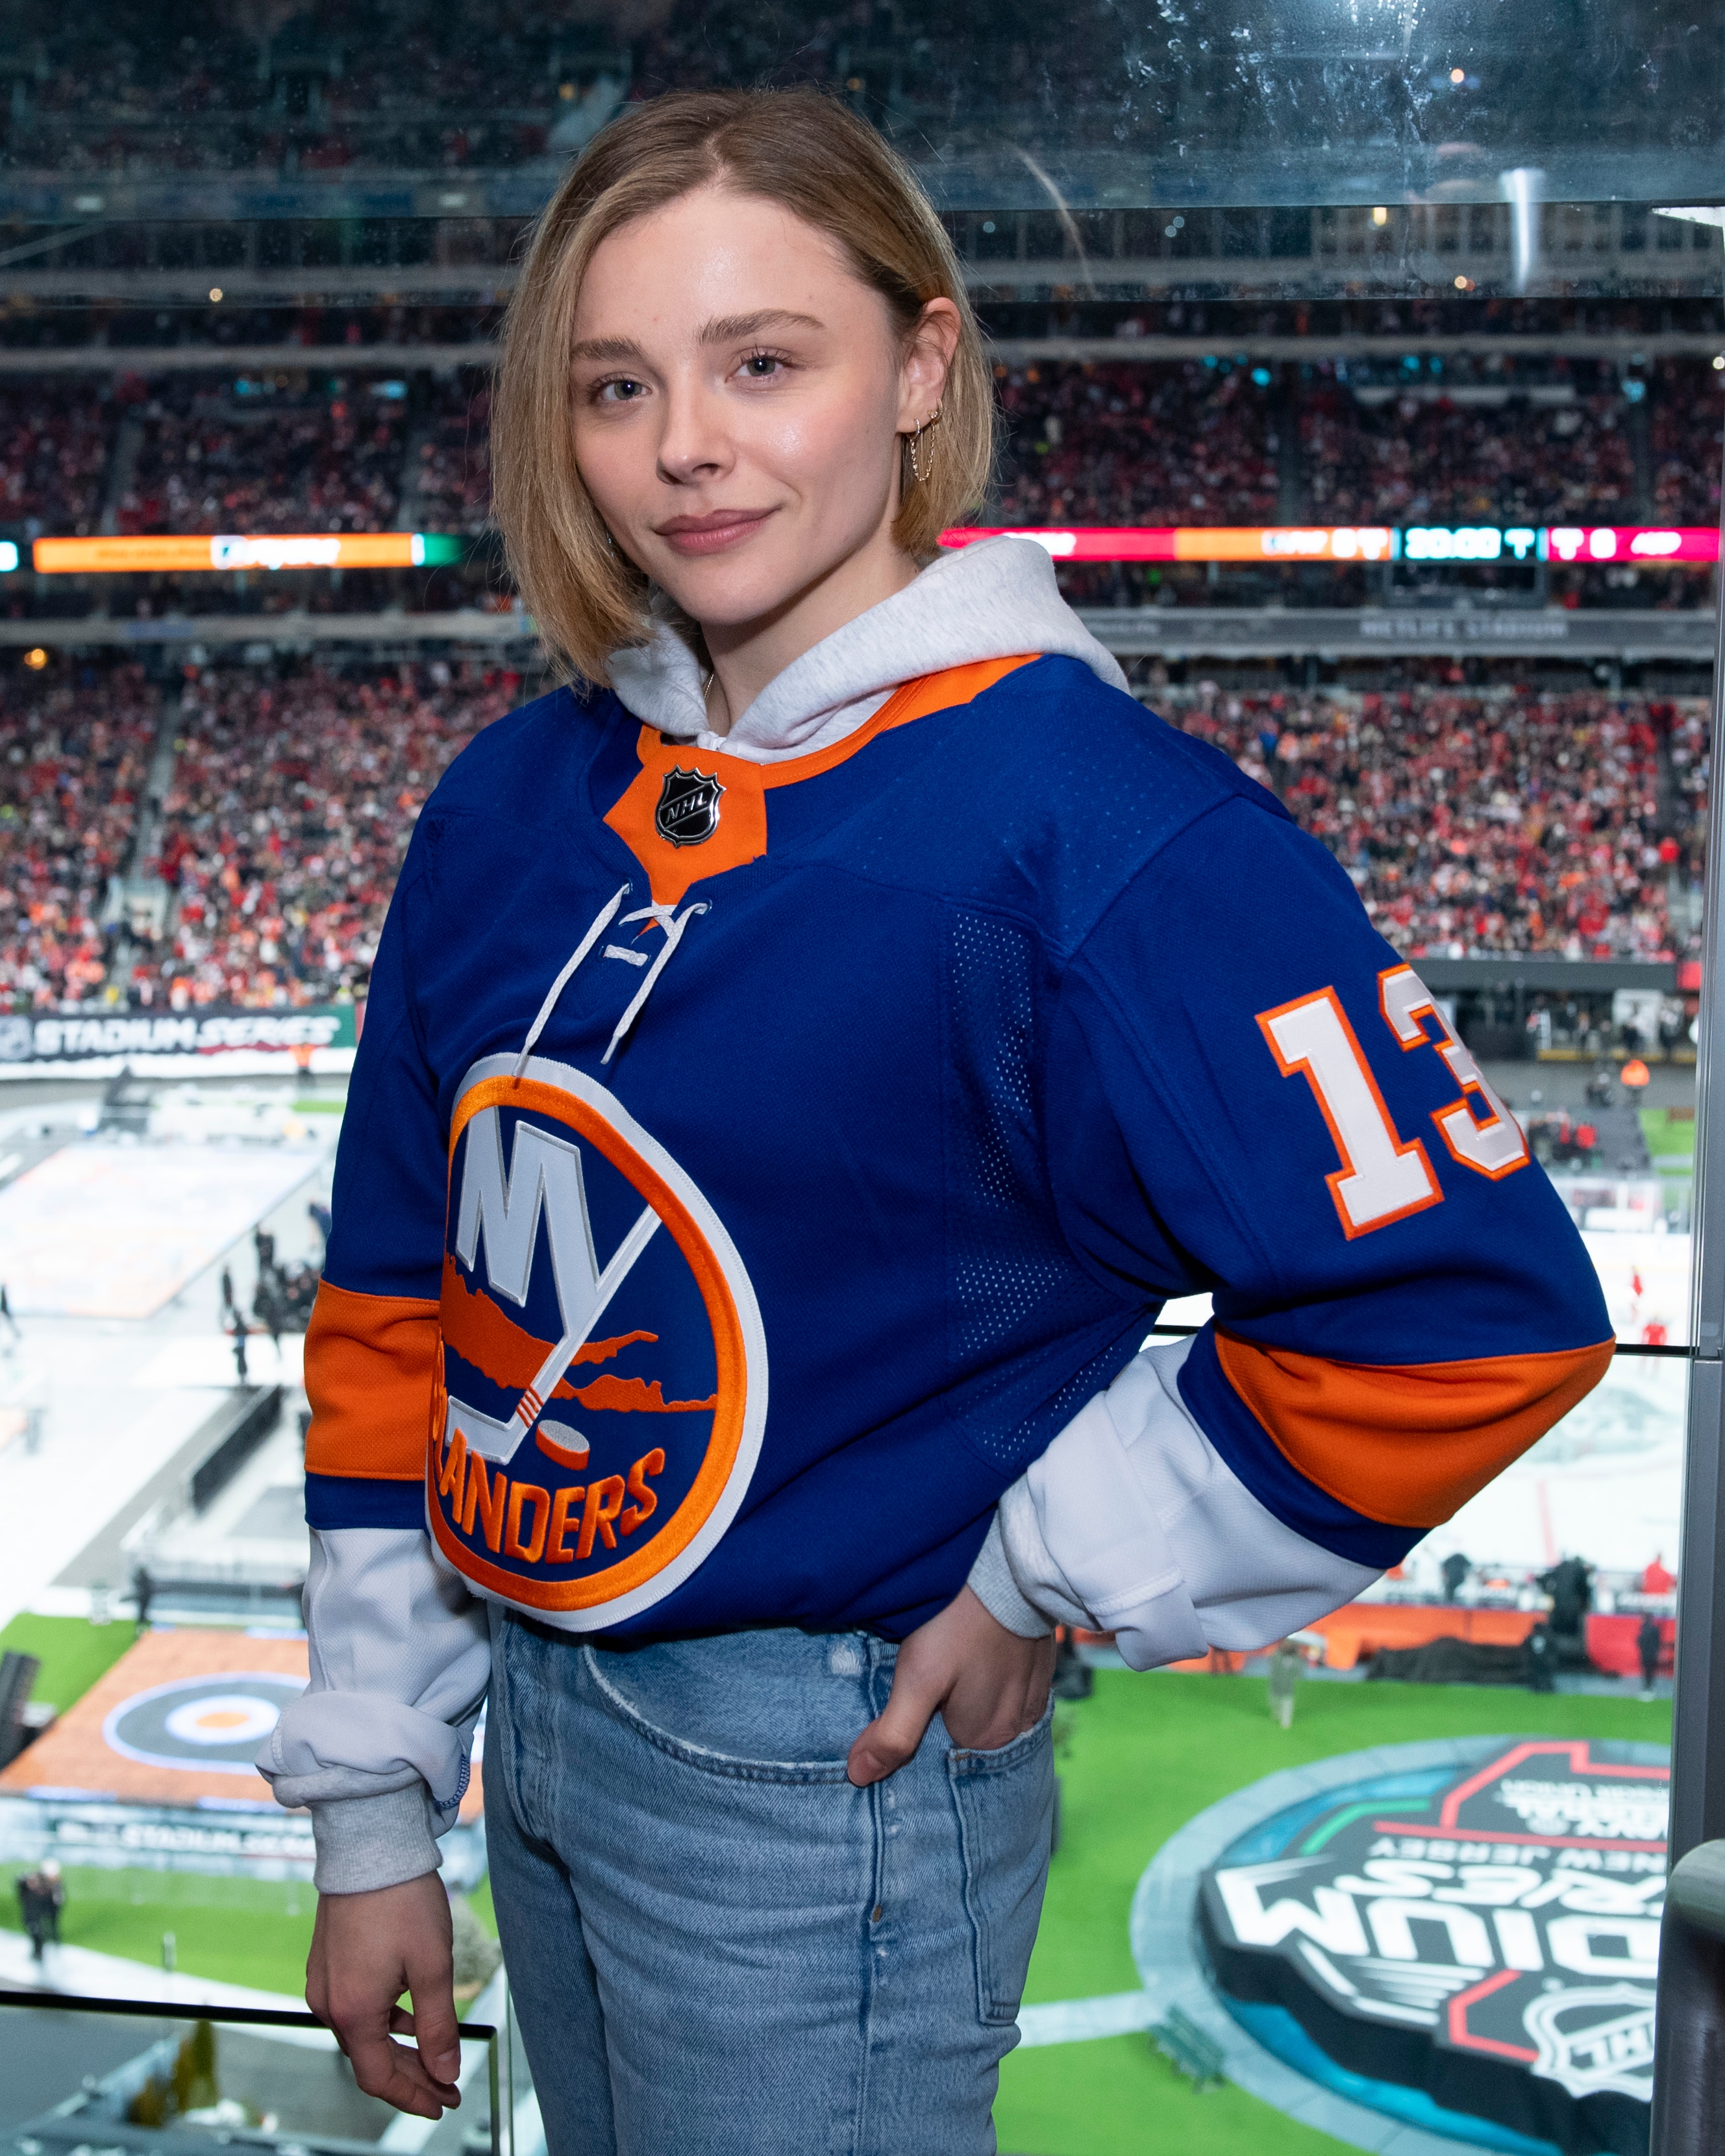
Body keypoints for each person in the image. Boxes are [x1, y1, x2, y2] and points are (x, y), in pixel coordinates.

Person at [258, 90, 1612, 2155]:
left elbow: (1460, 1313)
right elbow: (393, 1317)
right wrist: (372, 1804)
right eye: (618, 385)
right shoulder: (505, 807)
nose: (685, 444)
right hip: (522, 1737)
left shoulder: (1108, 831)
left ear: (921, 366)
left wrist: (1041, 1576)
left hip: (825, 1781)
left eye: (764, 363)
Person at [16, 1858, 64, 1960]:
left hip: (41, 1915)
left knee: (42, 1933)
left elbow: (57, 1900)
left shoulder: (51, 1888)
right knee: (36, 1935)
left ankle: (39, 1952)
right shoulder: (31, 1886)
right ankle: (38, 1953)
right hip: (33, 1916)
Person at [1638, 1612, 1664, 1699]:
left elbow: (1657, 1643)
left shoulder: (1653, 1629)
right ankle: (1647, 1687)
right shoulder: (1643, 1628)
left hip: (1651, 1653)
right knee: (1646, 1671)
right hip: (1645, 1653)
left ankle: (1649, 1687)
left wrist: (1657, 1653)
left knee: (1650, 1671)